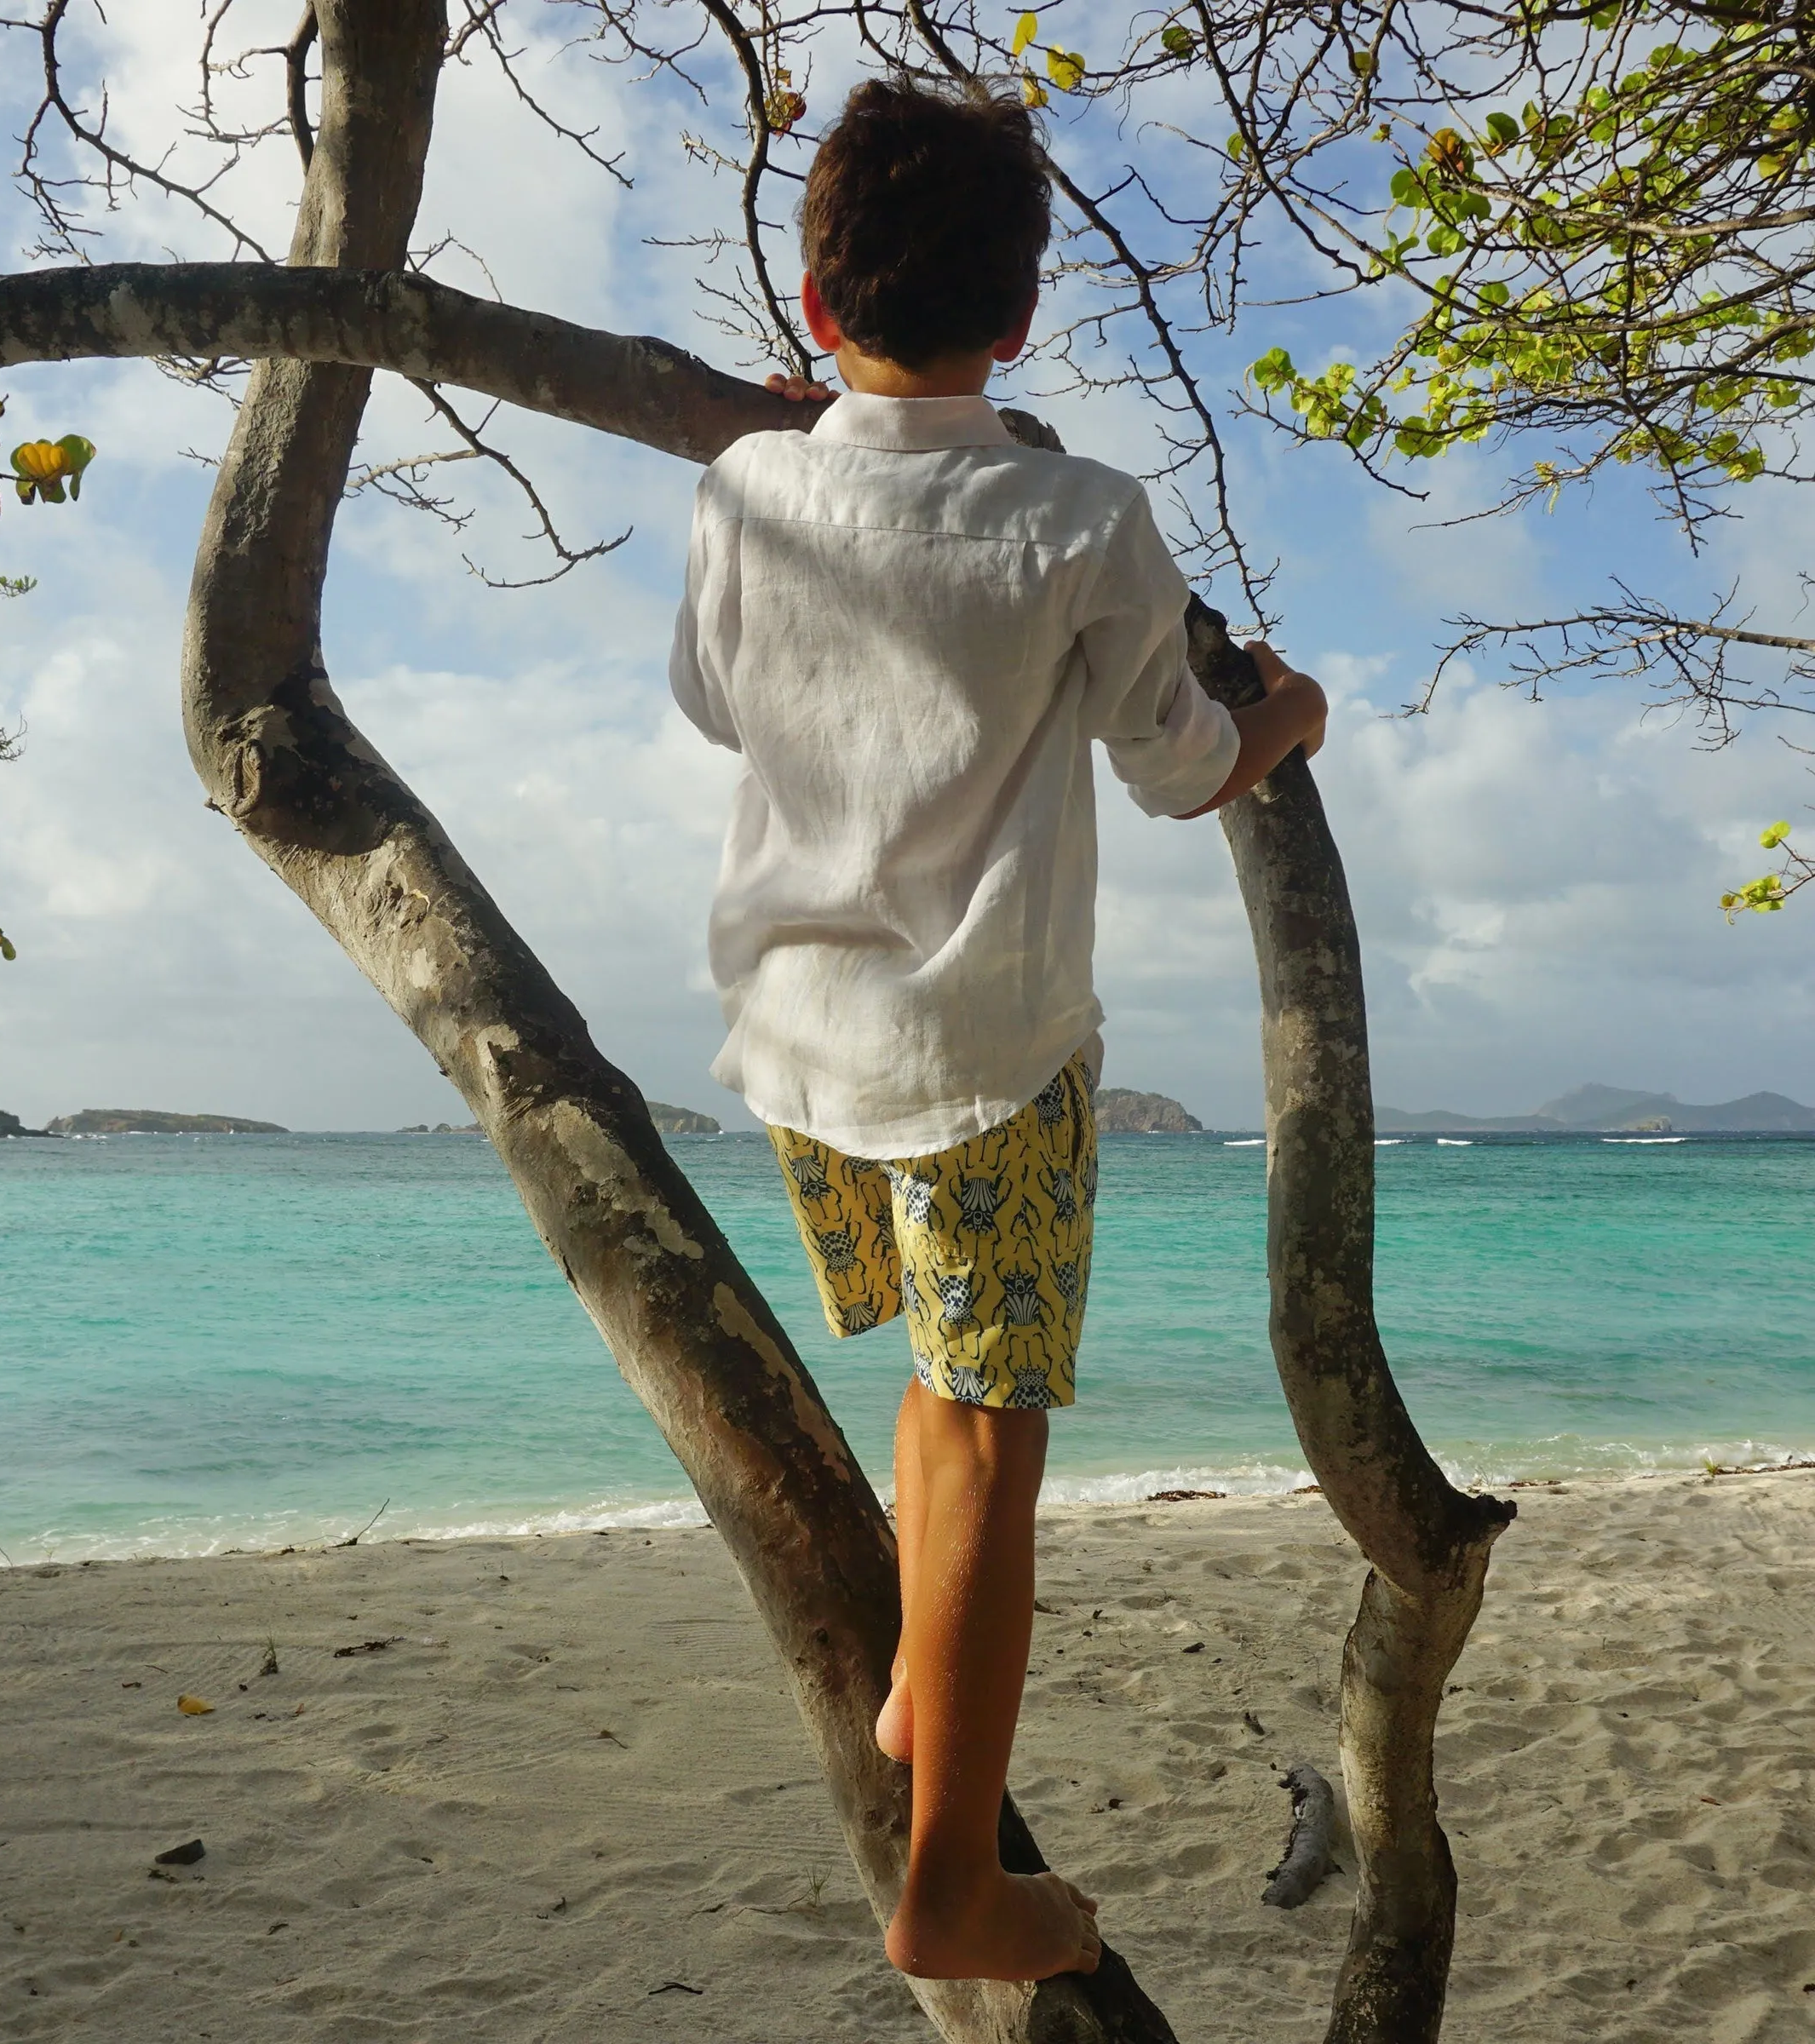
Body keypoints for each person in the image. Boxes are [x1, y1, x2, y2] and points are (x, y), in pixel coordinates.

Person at [668, 77, 1328, 1984]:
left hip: (798, 1042)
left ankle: (909, 1705)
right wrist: (1283, 725)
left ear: (813, 307)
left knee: (940, 1399)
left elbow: (717, 704)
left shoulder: (748, 489)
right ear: (1024, 322)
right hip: (983, 1063)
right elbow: (1184, 765)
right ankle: (950, 1889)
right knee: (992, 1444)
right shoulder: (1081, 519)